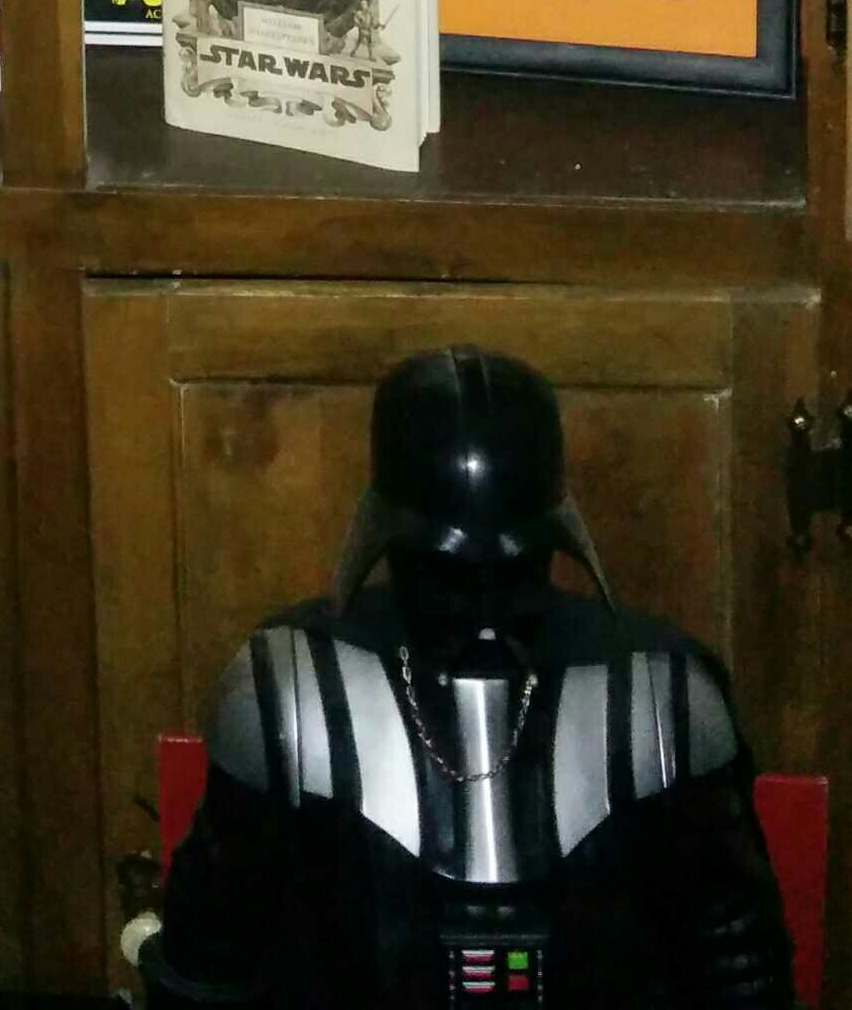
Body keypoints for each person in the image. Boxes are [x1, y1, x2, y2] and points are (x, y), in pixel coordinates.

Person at [151, 349, 794, 1009]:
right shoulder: (286, 695)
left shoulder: (665, 698)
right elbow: (208, 958)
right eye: (450, 575)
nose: (484, 610)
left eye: (511, 571)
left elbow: (738, 962)